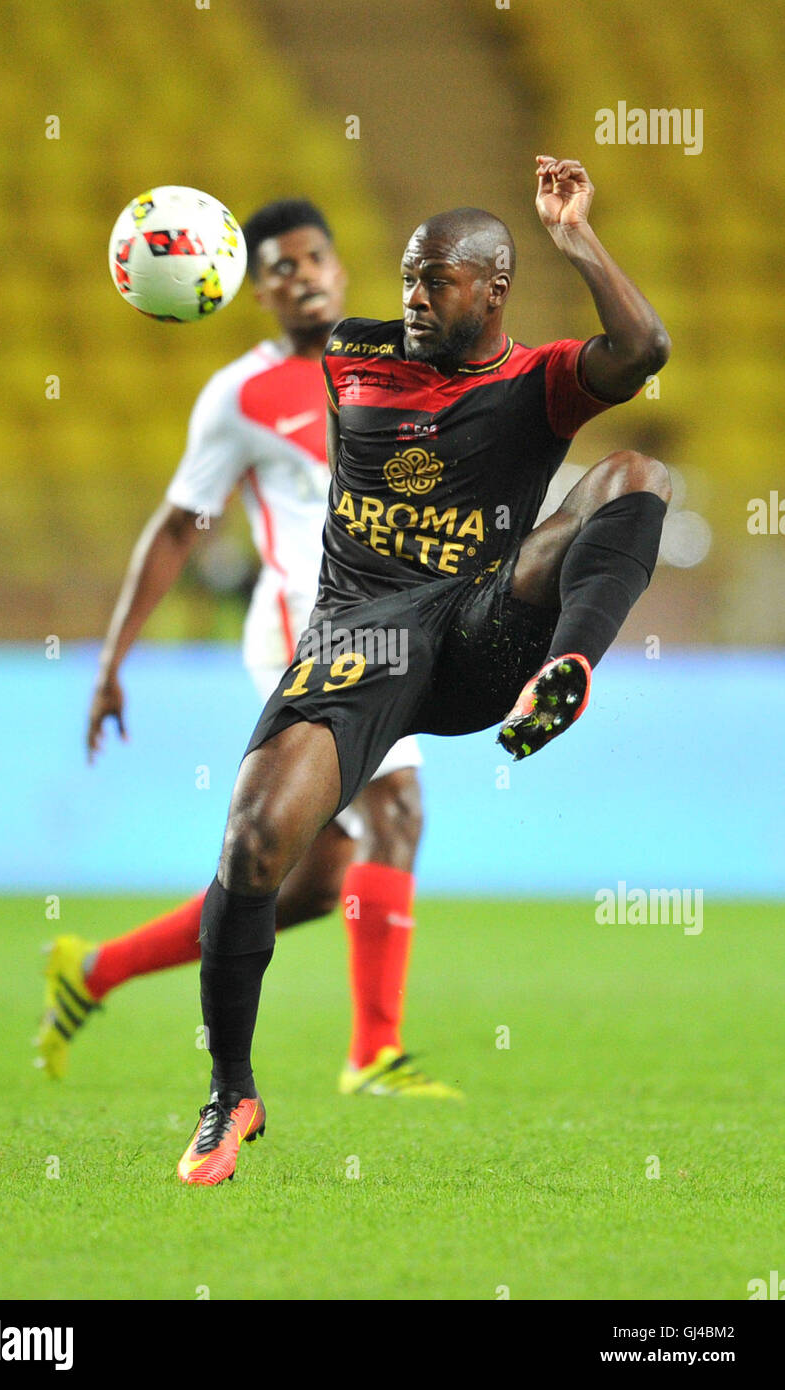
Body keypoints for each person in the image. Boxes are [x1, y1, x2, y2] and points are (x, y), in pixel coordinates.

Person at [176, 155, 673, 1186]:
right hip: (362, 637)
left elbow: (643, 348)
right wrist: (233, 265)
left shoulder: (538, 383)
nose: (409, 293)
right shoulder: (355, 351)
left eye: (434, 277)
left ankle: (566, 671)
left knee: (632, 475)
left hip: (484, 631)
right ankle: (232, 1090)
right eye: (404, 272)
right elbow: (298, 306)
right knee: (254, 839)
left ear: (492, 288)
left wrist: (575, 238)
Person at [37, 200, 460, 1100]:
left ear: (341, 270)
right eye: (277, 267)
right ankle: (374, 1053)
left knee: (314, 883)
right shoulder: (239, 396)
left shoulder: (396, 366)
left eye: (313, 258)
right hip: (302, 630)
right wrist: (112, 663)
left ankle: (92, 970)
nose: (299, 274)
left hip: (390, 627)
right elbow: (177, 530)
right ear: (251, 287)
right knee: (398, 813)